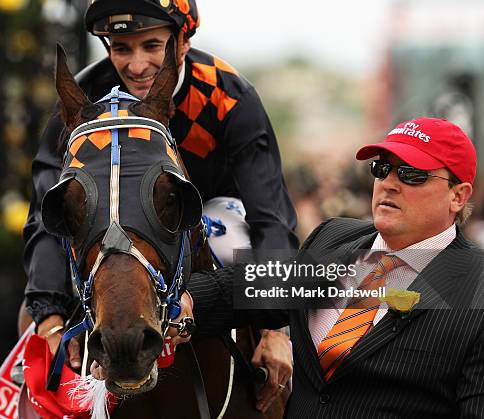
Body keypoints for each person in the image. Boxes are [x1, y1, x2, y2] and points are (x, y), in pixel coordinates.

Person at [23, 0, 297, 412]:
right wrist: (46, 315)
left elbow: (269, 215)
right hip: (117, 231)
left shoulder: (229, 96)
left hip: (210, 216)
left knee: (234, 239)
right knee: (34, 306)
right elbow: (49, 215)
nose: (136, 66)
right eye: (121, 48)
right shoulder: (82, 99)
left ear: (183, 40)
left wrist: (277, 326)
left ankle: (275, 381)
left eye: (152, 45)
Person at [188, 117, 484, 417]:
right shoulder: (334, 237)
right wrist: (177, 301)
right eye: (381, 169)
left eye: (412, 174)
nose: (389, 184)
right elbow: (247, 288)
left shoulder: (476, 285)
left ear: (458, 196)